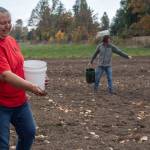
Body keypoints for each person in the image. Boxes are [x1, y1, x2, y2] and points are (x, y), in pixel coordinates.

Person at [0, 7, 46, 150]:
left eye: (9, 22)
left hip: (20, 101)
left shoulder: (11, 40)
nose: (7, 26)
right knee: (2, 144)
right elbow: (5, 75)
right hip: (1, 104)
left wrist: (39, 76)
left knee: (29, 132)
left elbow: (19, 65)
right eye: (2, 23)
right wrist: (31, 86)